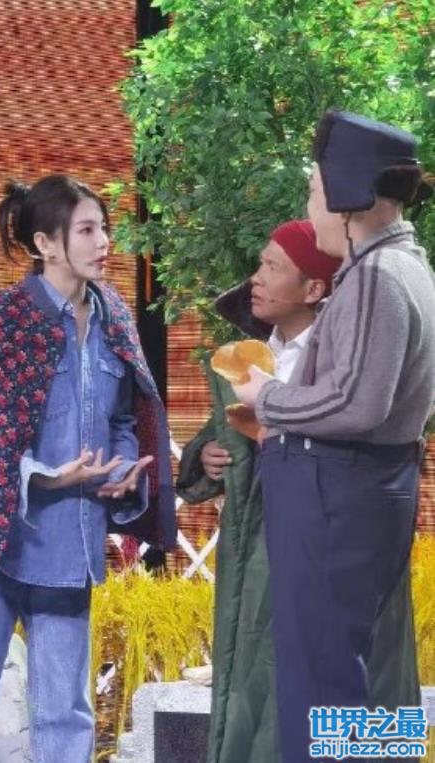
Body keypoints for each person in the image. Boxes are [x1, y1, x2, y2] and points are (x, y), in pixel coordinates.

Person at [0, 174, 177, 763]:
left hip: (69, 550)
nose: (105, 243)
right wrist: (45, 476)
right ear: (45, 244)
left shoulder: (115, 319)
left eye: (104, 229)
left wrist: (123, 470)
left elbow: (124, 417)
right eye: (87, 230)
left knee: (66, 721)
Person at [178, 219, 421, 763]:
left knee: (335, 683)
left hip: (330, 536)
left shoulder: (344, 365)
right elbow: (216, 441)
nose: (255, 278)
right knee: (254, 683)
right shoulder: (242, 360)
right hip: (253, 546)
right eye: (260, 263)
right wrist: (210, 458)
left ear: (314, 288)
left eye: (272, 267)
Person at [233, 110, 435, 763]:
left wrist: (267, 397)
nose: (310, 206)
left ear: (348, 196)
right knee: (352, 671)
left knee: (319, 676)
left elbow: (356, 401)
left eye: (315, 190)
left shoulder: (376, 274)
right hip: (366, 487)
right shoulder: (408, 265)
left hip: (336, 488)